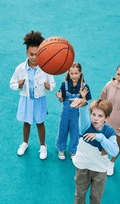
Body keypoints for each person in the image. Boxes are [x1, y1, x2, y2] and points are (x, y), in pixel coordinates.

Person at [70, 98, 119, 204]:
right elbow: (84, 113)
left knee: (96, 196)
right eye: (93, 114)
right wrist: (84, 104)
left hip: (99, 170)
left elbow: (115, 151)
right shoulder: (85, 126)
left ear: (107, 118)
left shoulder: (109, 132)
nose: (95, 118)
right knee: (80, 193)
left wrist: (100, 137)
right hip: (83, 167)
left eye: (100, 116)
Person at [9, 31, 56, 160]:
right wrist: (18, 85)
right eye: (31, 54)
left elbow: (52, 84)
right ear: (26, 53)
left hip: (39, 100)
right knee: (26, 122)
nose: (34, 57)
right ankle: (25, 143)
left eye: (37, 54)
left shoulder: (46, 68)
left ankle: (43, 145)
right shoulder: (20, 68)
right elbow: (11, 83)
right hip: (26, 100)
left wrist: (48, 86)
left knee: (40, 123)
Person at [55, 62, 92, 160]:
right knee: (62, 130)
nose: (74, 76)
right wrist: (59, 97)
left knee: (75, 132)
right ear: (68, 73)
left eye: (76, 73)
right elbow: (62, 100)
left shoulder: (84, 86)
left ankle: (73, 150)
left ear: (80, 73)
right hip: (65, 113)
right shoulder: (65, 84)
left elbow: (86, 102)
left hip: (77, 114)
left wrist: (83, 96)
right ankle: (61, 149)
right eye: (71, 73)